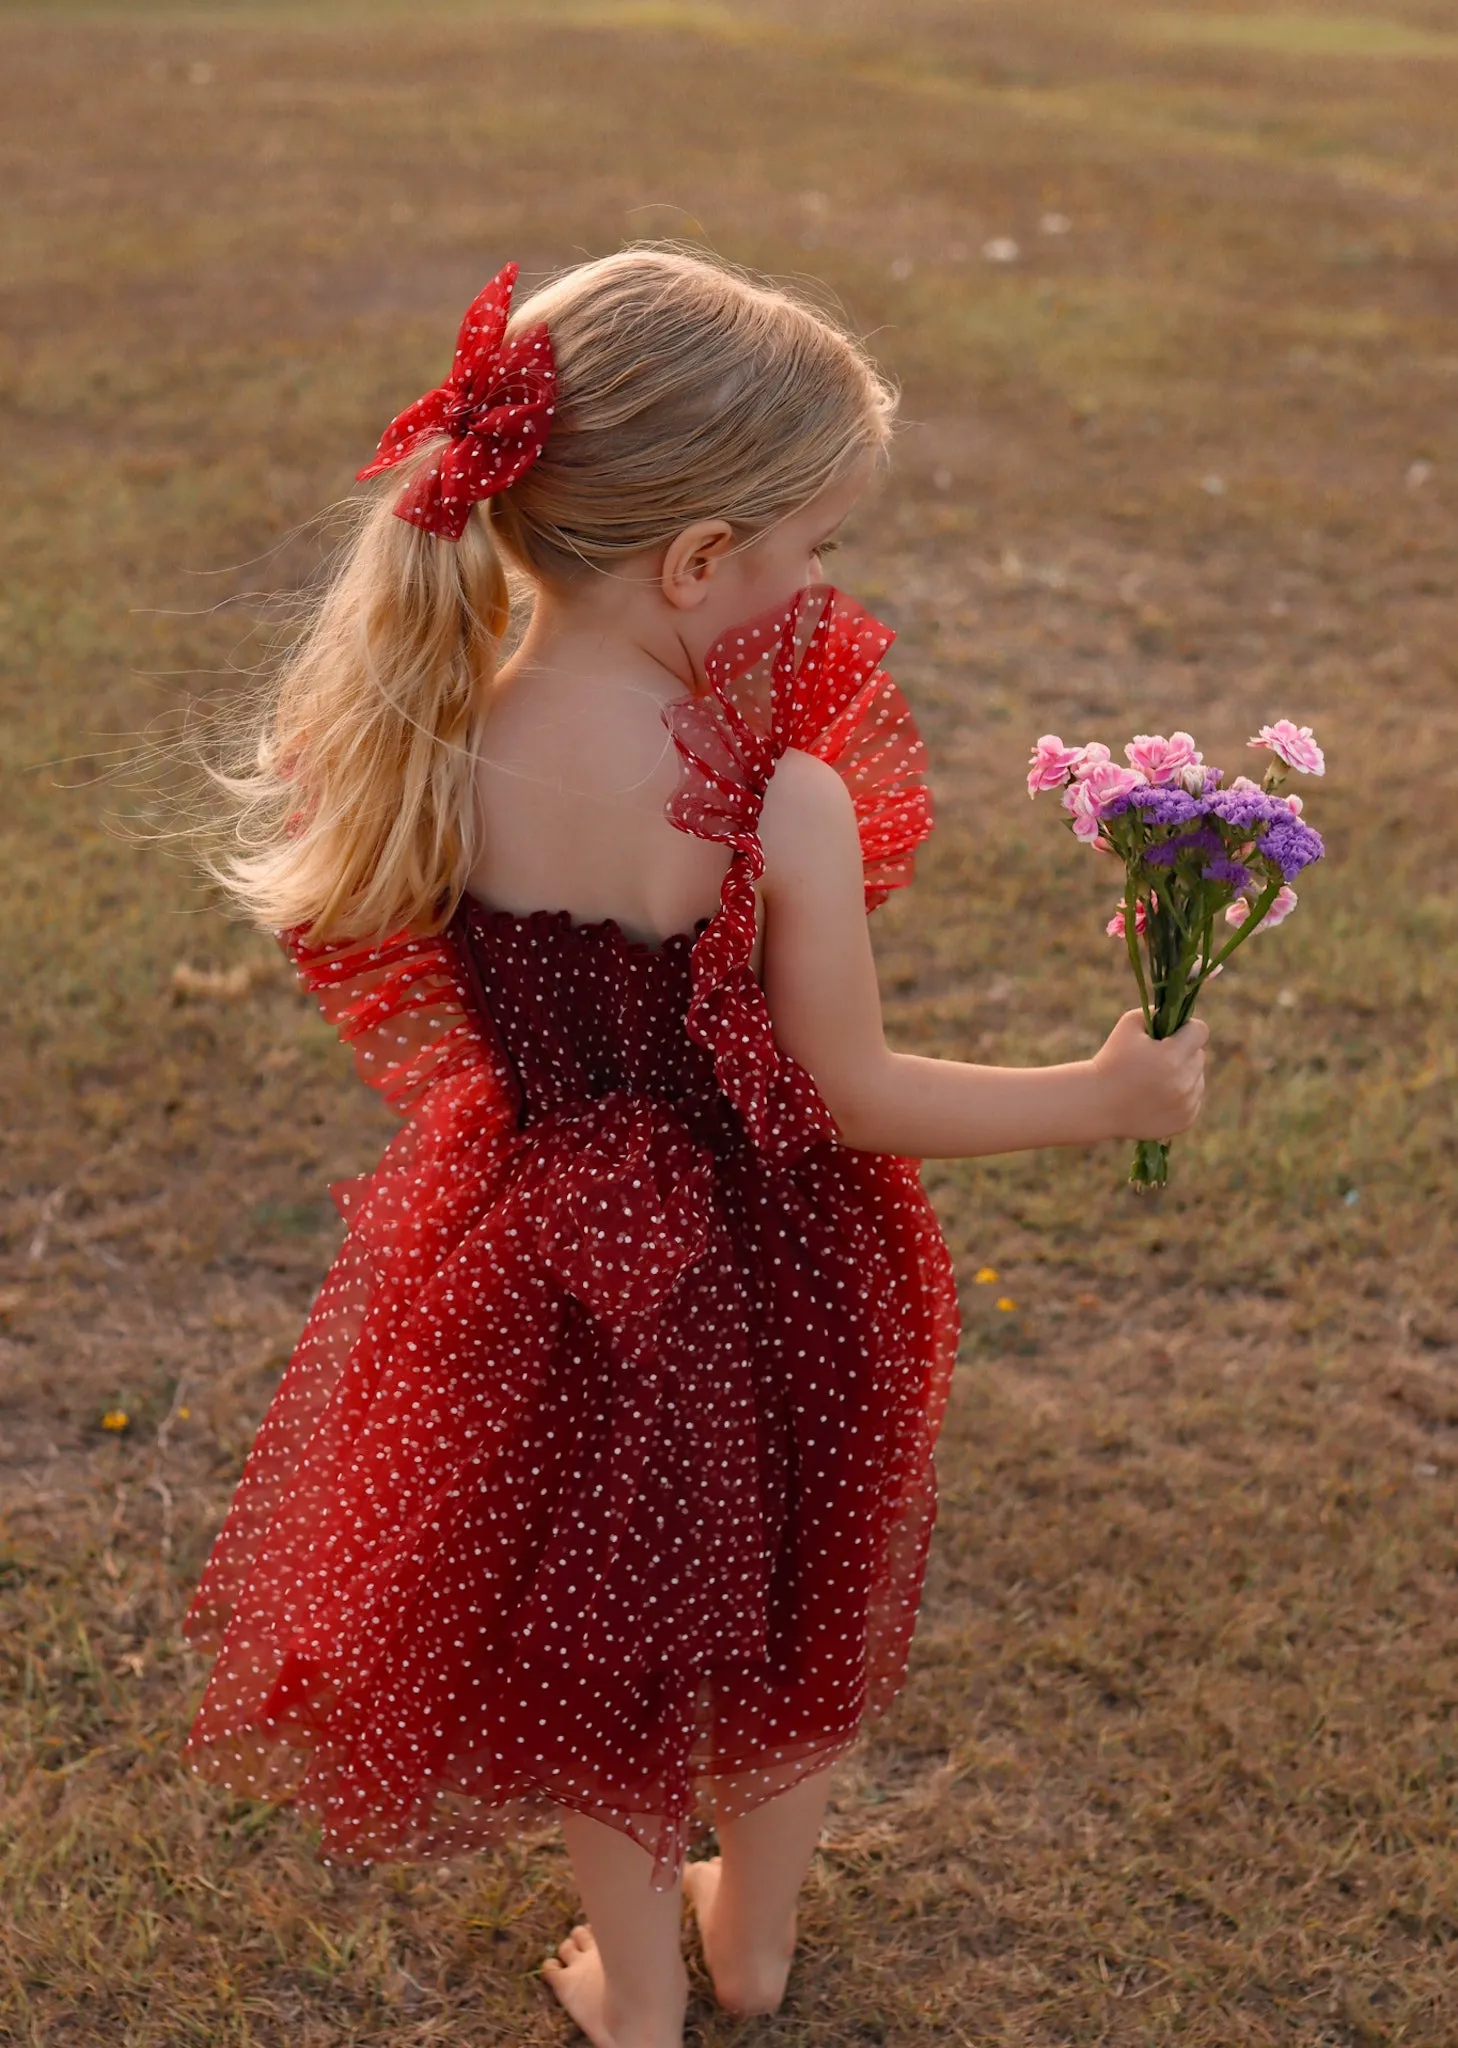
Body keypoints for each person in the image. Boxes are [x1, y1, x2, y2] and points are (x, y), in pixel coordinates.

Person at [178, 247, 1207, 2048]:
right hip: (784, 1264)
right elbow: (854, 1094)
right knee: (796, 1597)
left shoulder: (436, 734)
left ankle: (641, 1997)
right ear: (698, 562)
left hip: (527, 1265)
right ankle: (755, 1946)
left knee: (606, 1632)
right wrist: (1095, 1093)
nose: (824, 584)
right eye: (815, 545)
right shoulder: (770, 796)